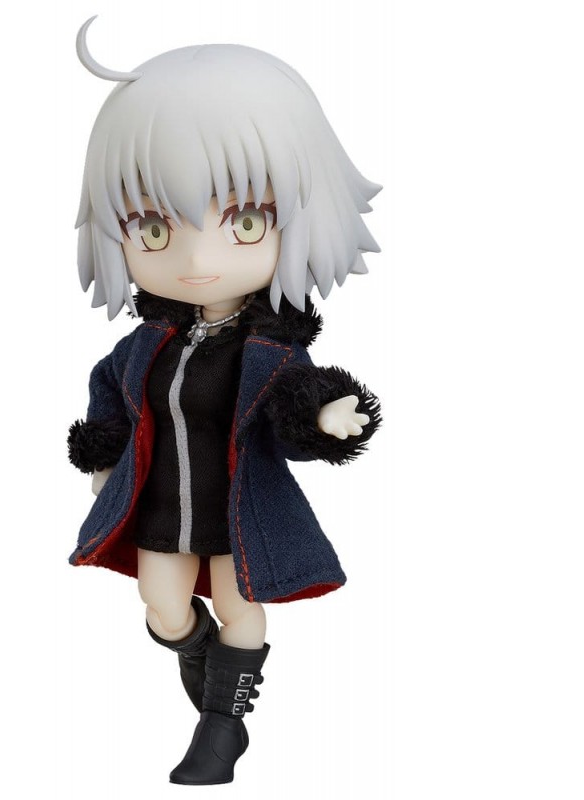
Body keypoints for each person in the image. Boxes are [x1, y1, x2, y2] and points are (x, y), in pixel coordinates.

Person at [67, 16, 382, 785]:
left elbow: (295, 398)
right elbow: (110, 395)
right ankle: (206, 660)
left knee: (241, 605)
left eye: (244, 220)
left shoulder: (270, 349)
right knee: (163, 607)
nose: (197, 257)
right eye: (151, 226)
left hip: (243, 512)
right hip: (162, 507)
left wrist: (327, 417)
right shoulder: (146, 345)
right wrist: (103, 458)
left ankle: (224, 725)